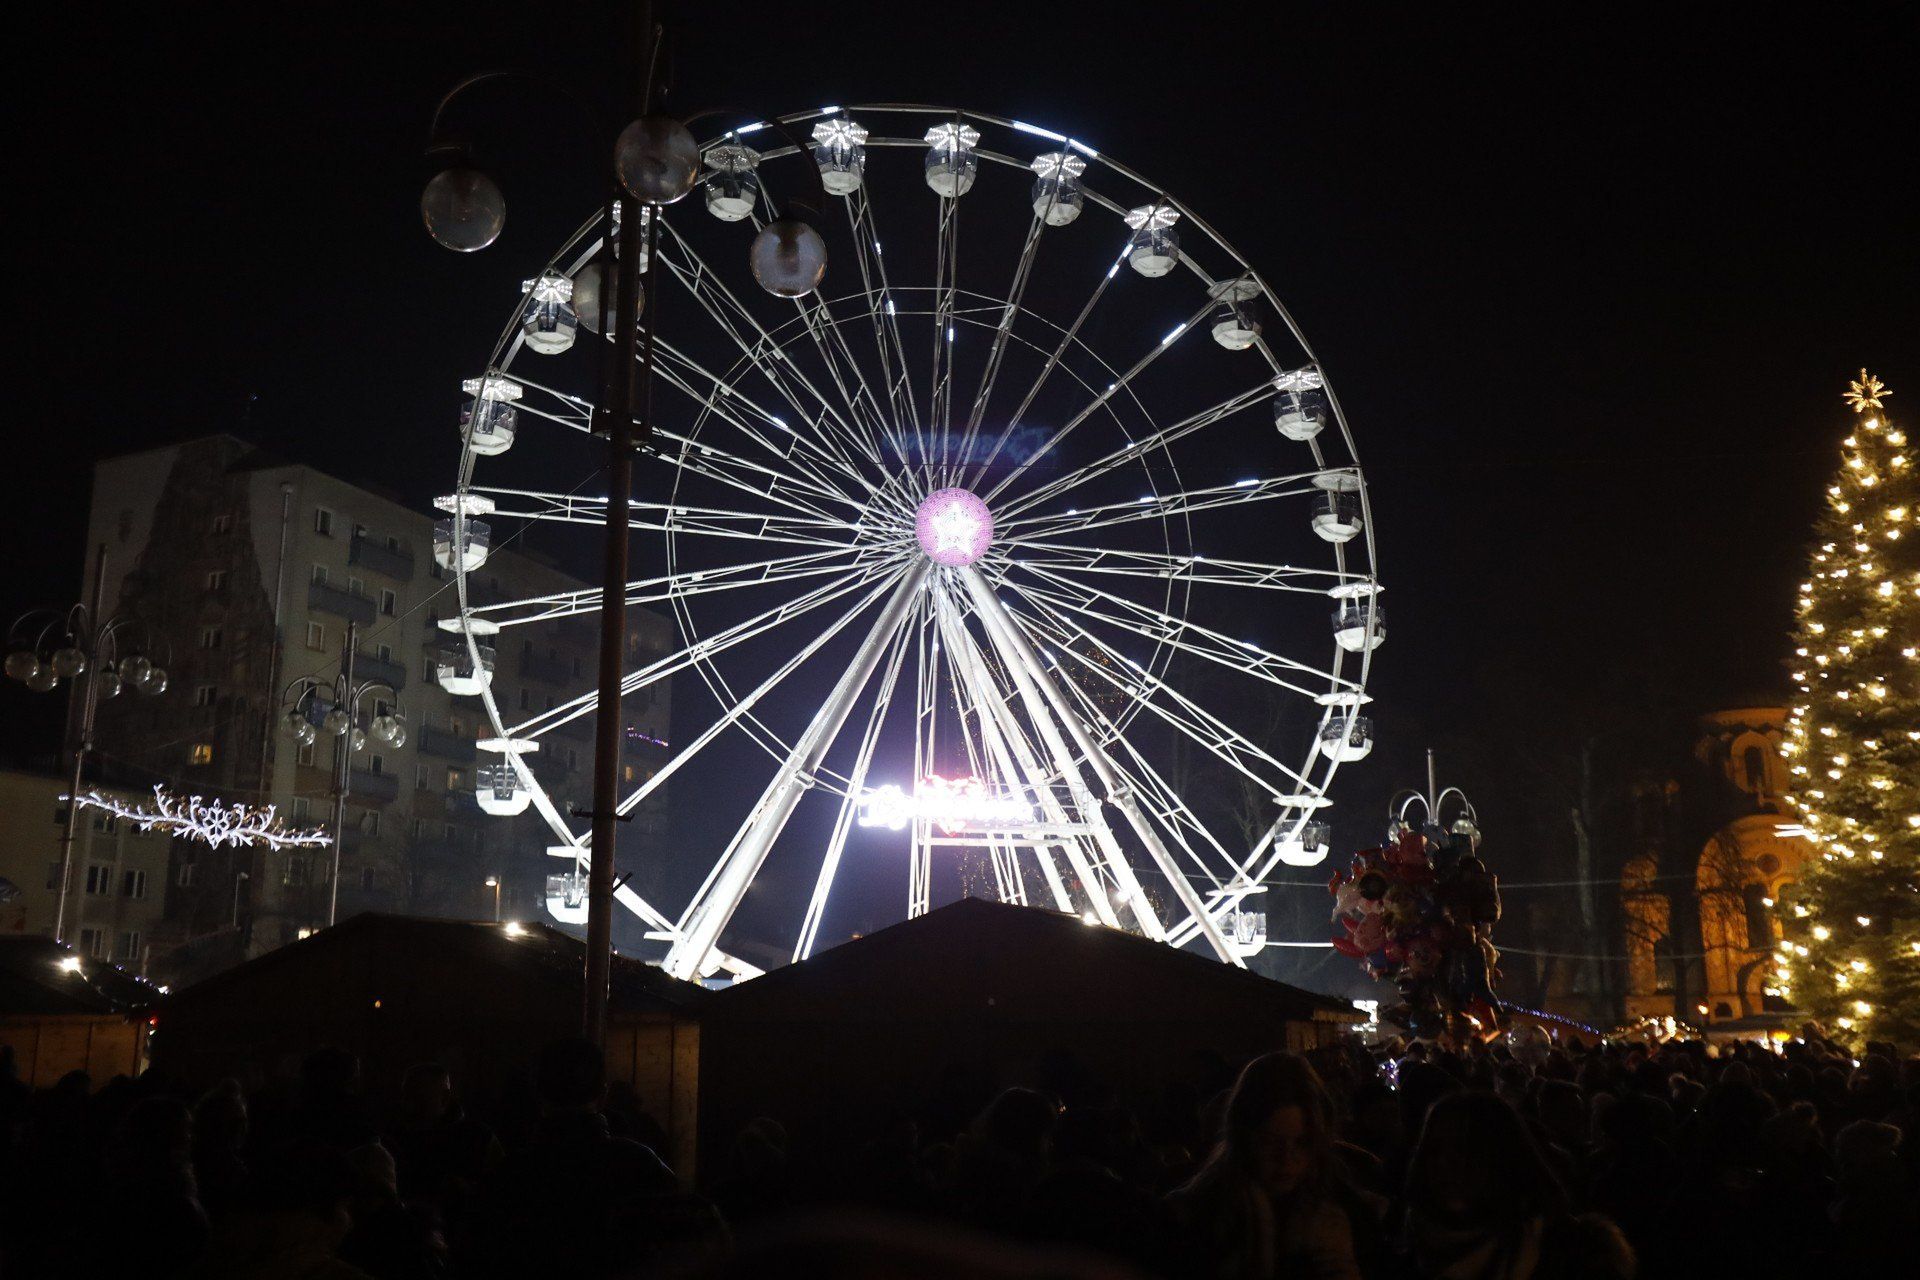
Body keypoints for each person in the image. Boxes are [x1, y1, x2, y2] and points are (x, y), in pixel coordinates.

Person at [1166, 1052, 1363, 1280]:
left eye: (1301, 1143)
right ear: (1244, 1139)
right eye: (1270, 1142)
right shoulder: (1196, 1216)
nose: (1286, 1158)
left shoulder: (1346, 1212)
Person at [1404, 1092, 1633, 1280]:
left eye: (1465, 1150)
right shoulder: (1404, 1245)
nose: (1445, 1164)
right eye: (1434, 1150)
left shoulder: (1572, 1254)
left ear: (1504, 1157)